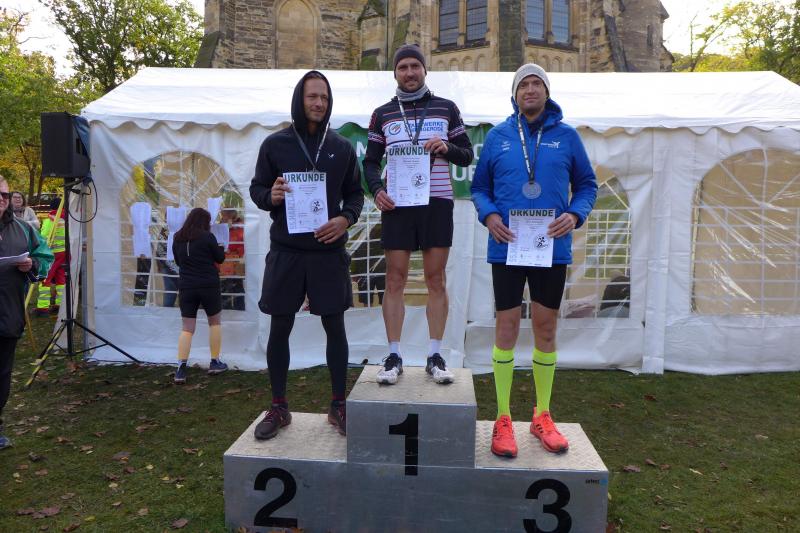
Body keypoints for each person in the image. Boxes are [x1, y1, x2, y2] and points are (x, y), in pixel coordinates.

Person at [471, 64, 597, 457]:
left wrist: (575, 214)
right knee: (506, 327)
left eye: (536, 83)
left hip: (550, 247)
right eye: (523, 84)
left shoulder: (567, 137)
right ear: (515, 94)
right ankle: (503, 417)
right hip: (507, 245)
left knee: (545, 328)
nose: (530, 89)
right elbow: (480, 187)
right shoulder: (498, 136)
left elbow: (587, 185)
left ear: (546, 91)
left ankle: (542, 415)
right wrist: (489, 216)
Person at [250, 70, 364, 439]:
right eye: (313, 96)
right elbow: (257, 188)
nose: (319, 103)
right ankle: (279, 407)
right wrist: (270, 196)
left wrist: (345, 219)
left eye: (325, 98)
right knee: (280, 326)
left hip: (327, 252)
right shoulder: (275, 145)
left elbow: (356, 194)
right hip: (286, 251)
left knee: (335, 326)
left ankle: (338, 405)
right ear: (300, 99)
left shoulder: (341, 147)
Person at [363, 44, 473, 385]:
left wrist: (447, 147)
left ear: (425, 70)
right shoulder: (382, 114)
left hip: (436, 203)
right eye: (403, 67)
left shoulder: (446, 108)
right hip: (398, 205)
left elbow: (467, 154)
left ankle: (435, 355)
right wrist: (376, 191)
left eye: (415, 66)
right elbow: (370, 162)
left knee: (435, 280)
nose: (409, 73)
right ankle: (394, 355)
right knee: (394, 280)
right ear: (395, 73)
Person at [0, 177, 54, 449]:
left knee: (2, 374)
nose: (1, 199)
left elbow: (45, 257)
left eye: (4, 195)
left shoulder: (23, 229)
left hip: (8, 313)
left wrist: (32, 264)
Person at [171, 207, 229, 384]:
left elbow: (178, 262)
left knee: (187, 328)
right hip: (208, 284)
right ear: (204, 222)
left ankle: (181, 369)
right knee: (214, 322)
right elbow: (220, 258)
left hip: (186, 286)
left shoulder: (177, 237)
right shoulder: (207, 237)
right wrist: (221, 247)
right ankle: (215, 362)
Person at [36, 198, 66, 316]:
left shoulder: (50, 220)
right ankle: (60, 305)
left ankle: (42, 308)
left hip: (51, 255)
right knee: (61, 279)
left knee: (45, 279)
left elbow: (43, 237)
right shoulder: (67, 219)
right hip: (64, 254)